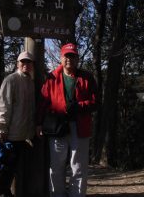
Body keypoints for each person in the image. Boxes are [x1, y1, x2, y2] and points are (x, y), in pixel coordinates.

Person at [36, 43, 98, 197]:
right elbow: (43, 102)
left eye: (72, 56)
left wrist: (79, 106)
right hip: (57, 127)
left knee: (78, 167)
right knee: (56, 167)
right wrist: (38, 123)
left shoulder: (87, 77)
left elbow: (96, 102)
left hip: (80, 126)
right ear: (61, 57)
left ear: (77, 58)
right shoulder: (52, 78)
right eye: (66, 56)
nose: (69, 59)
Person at [0, 51, 36, 197]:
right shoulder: (11, 80)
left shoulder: (30, 82)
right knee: (6, 172)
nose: (26, 64)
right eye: (23, 62)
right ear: (17, 64)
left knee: (16, 171)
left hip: (24, 136)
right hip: (11, 135)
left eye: (29, 62)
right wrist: (1, 127)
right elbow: (3, 105)